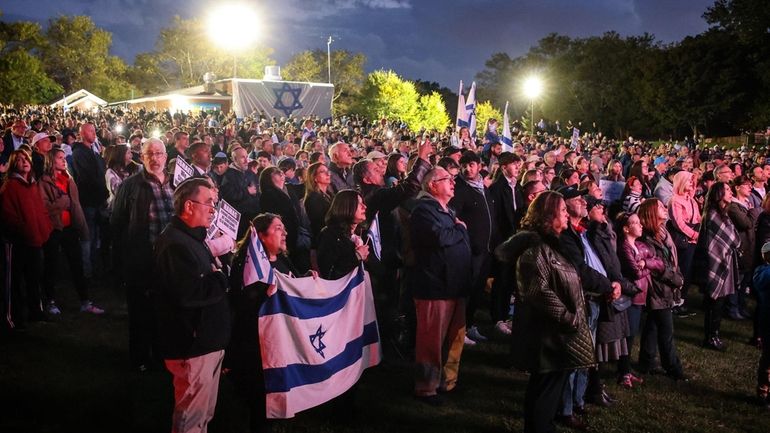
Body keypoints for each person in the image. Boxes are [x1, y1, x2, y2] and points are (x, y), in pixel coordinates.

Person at [495, 191, 594, 433]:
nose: (567, 215)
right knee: (545, 386)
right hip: (546, 333)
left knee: (550, 385)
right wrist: (566, 316)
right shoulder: (536, 248)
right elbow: (537, 291)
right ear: (549, 216)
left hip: (554, 332)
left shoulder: (553, 243)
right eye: (562, 211)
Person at [153, 177, 230, 433]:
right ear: (188, 206)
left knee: (203, 416)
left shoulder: (192, 238)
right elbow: (188, 293)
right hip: (192, 347)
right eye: (208, 203)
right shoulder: (175, 244)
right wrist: (221, 277)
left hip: (207, 342)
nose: (213, 210)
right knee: (191, 420)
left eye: (214, 204)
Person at [227, 213, 299, 433]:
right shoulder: (247, 265)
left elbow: (294, 284)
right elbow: (241, 304)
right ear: (261, 236)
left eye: (283, 228)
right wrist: (264, 296)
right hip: (255, 347)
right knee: (259, 401)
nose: (284, 233)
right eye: (278, 228)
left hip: (281, 343)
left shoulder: (284, 260)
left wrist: (307, 279)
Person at [408, 167, 472, 405]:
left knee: (455, 337)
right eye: (448, 179)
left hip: (455, 284)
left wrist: (456, 230)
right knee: (431, 340)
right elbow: (439, 237)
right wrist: (459, 228)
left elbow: (456, 238)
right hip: (435, 285)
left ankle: (448, 381)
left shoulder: (447, 210)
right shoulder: (423, 211)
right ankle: (426, 388)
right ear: (433, 185)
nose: (453, 183)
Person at [111, 138, 175, 371]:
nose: (155, 158)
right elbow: (117, 224)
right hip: (142, 259)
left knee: (165, 310)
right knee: (140, 311)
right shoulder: (131, 186)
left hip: (170, 261)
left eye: (159, 153)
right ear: (142, 157)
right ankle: (139, 357)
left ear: (165, 157)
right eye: (150, 154)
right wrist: (120, 262)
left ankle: (161, 354)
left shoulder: (175, 184)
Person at [39, 148, 103, 315]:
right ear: (51, 161)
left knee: (77, 265)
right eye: (60, 158)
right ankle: (50, 301)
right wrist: (62, 203)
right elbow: (43, 207)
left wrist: (81, 226)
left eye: (63, 157)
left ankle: (85, 301)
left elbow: (75, 205)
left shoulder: (69, 179)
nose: (64, 160)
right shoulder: (44, 182)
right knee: (51, 266)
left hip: (70, 228)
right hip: (54, 228)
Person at [0, 149, 53, 327]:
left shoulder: (32, 185)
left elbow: (40, 211)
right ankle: (14, 316)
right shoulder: (10, 186)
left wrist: (44, 228)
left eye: (26, 158)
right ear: (13, 164)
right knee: (15, 281)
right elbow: (8, 215)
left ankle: (35, 312)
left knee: (34, 277)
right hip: (19, 241)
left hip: (35, 240)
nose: (24, 161)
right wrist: (24, 230)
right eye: (20, 159)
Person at [637, 199, 687, 380]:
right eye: (660, 206)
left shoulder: (662, 232)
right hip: (658, 288)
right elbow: (657, 266)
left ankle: (647, 360)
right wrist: (676, 279)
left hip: (664, 285)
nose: (665, 208)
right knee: (666, 330)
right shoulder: (647, 238)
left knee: (652, 324)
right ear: (651, 212)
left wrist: (676, 275)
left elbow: (670, 260)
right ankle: (673, 366)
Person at [449, 151, 494, 345]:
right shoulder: (460, 189)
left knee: (477, 290)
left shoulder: (483, 187)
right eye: (464, 165)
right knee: (467, 290)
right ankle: (460, 329)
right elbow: (454, 217)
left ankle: (471, 324)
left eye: (471, 165)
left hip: (487, 249)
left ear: (479, 166)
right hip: (471, 250)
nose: (467, 169)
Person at [699, 182, 741, 351]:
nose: (731, 192)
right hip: (716, 262)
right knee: (714, 302)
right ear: (719, 194)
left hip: (725, 260)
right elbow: (721, 241)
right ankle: (710, 337)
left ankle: (713, 334)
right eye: (728, 190)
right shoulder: (713, 215)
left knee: (719, 302)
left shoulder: (723, 212)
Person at [616, 212, 653, 387]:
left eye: (639, 222)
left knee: (632, 334)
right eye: (635, 223)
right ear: (626, 228)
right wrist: (648, 268)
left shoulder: (637, 245)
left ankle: (626, 370)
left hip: (640, 295)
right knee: (628, 335)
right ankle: (623, 372)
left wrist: (647, 264)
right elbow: (636, 272)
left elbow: (653, 260)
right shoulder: (624, 247)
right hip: (632, 296)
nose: (640, 225)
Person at [667, 170, 701, 318]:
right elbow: (679, 223)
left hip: (692, 240)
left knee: (688, 272)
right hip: (683, 241)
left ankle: (682, 300)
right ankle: (674, 302)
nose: (692, 183)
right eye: (688, 181)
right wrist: (694, 234)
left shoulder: (692, 200)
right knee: (680, 270)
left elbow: (698, 218)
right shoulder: (675, 200)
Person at [316, 190, 370, 280]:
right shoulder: (329, 236)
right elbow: (329, 274)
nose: (365, 207)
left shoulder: (362, 233)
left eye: (363, 203)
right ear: (346, 207)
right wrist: (357, 256)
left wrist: (367, 259)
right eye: (359, 204)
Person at [753, 241, 770, 410]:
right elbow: (762, 281)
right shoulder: (763, 272)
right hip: (768, 323)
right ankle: (763, 392)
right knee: (768, 361)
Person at [303, 162, 333, 255]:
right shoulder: (313, 198)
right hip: (323, 243)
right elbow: (320, 223)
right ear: (314, 178)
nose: (328, 174)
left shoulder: (328, 194)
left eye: (328, 171)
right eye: (323, 172)